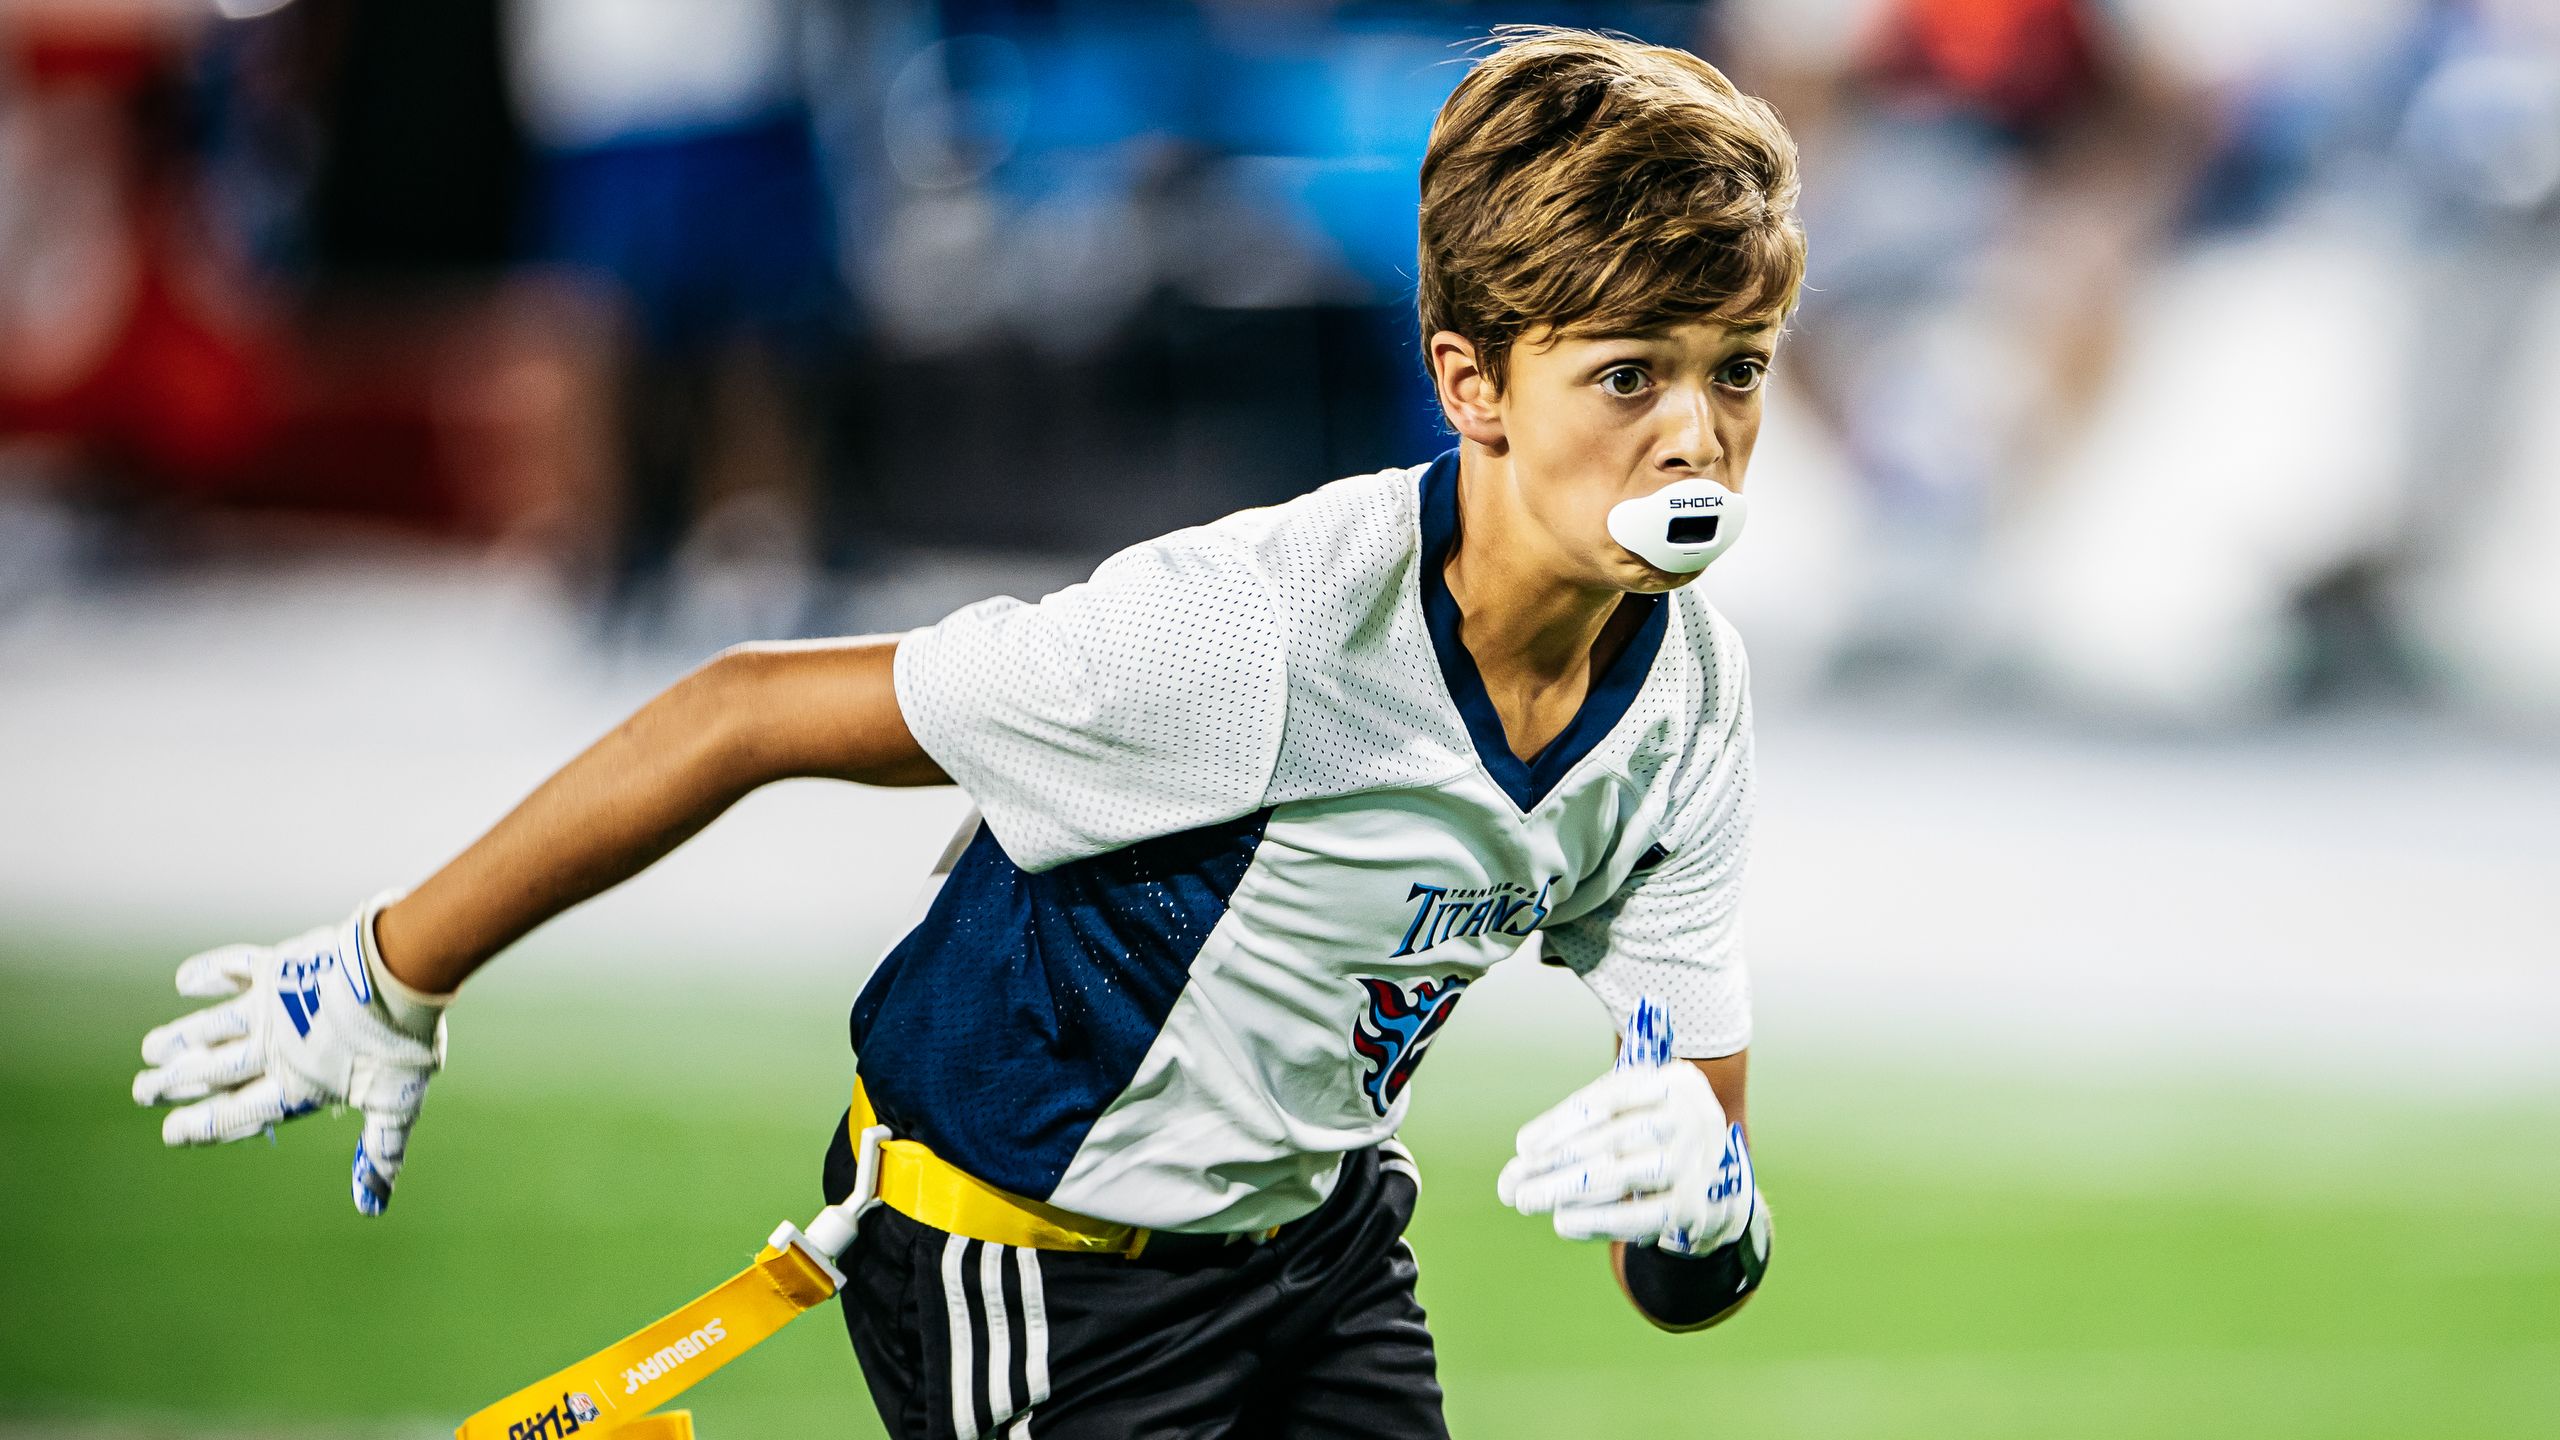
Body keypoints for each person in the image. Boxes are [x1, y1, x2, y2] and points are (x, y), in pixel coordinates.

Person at [130, 26, 1802, 1439]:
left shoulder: (1690, 703)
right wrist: (389, 969)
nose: (1697, 437)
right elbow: (747, 709)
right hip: (1033, 1262)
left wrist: (1714, 1203)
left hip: (1319, 1245)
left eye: (1737, 371)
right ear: (1472, 382)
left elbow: (1679, 1285)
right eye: (1629, 373)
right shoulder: (1255, 633)